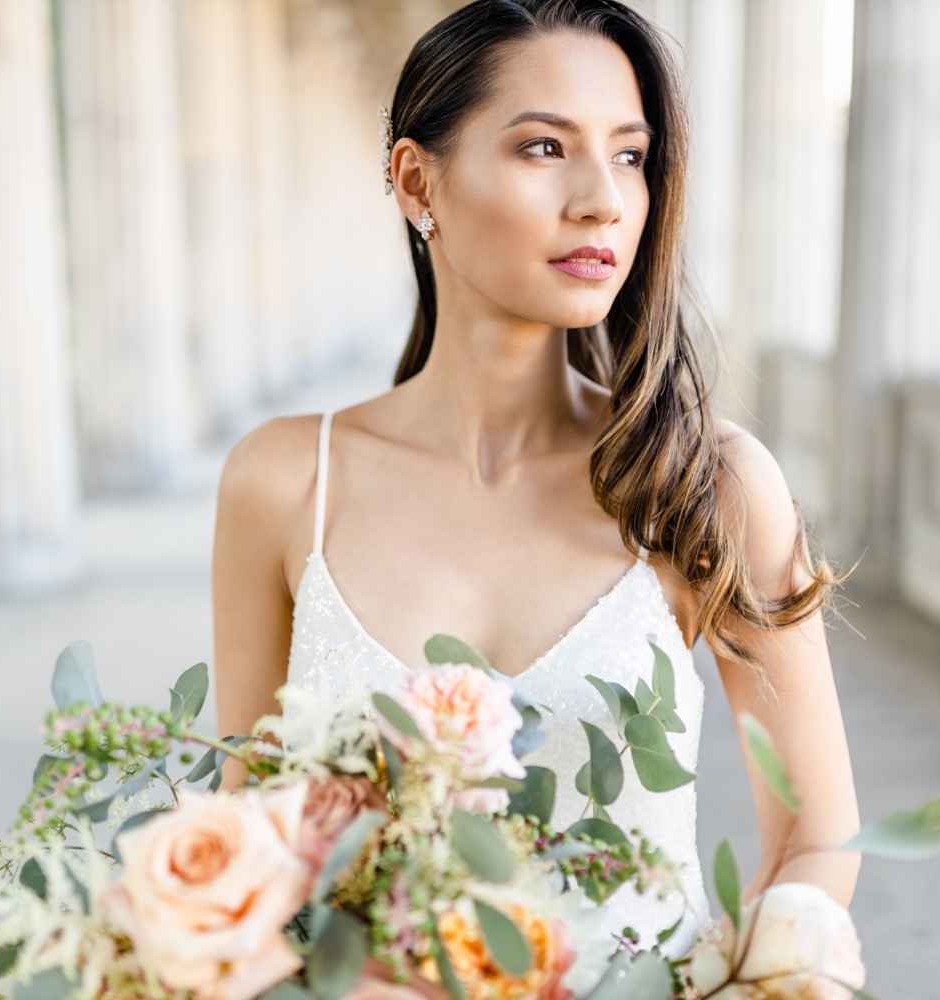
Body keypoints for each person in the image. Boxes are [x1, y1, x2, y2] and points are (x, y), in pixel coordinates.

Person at [211, 0, 860, 970]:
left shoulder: (706, 482)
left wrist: (754, 978)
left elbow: (816, 837)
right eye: (545, 147)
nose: (603, 200)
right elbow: (249, 828)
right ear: (416, 179)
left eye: (631, 156)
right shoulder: (285, 481)